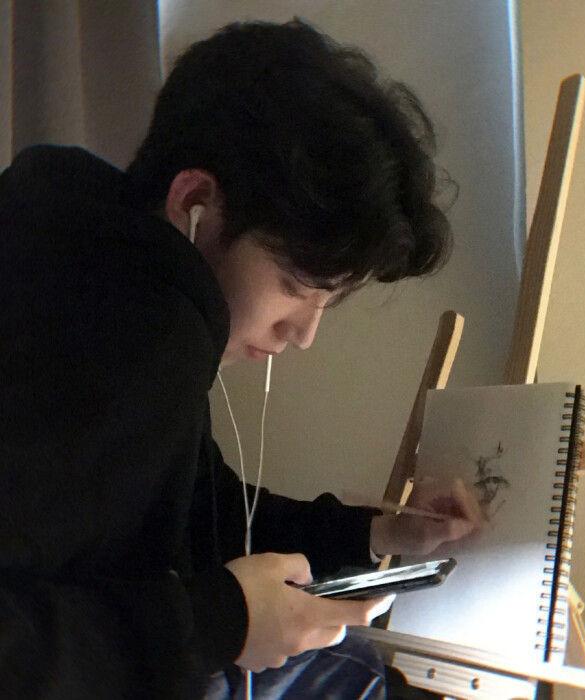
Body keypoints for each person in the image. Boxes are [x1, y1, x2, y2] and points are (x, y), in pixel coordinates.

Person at [0, 18, 482, 699]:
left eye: (328, 301)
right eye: (295, 286)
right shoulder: (134, 336)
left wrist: (378, 533)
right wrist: (218, 622)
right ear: (195, 202)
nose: (303, 334)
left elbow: (203, 511)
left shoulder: (91, 267)